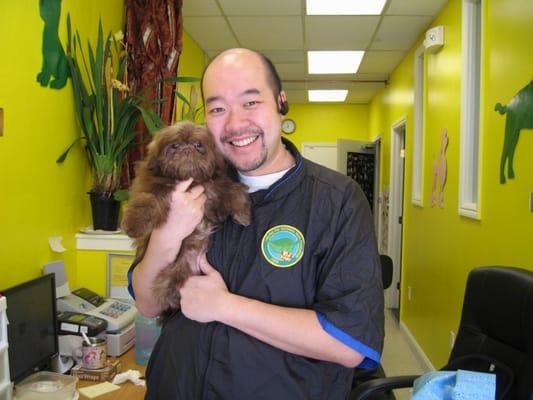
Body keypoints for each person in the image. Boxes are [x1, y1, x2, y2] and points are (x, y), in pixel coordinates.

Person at [128, 48, 384, 400]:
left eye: (251, 102)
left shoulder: (337, 200)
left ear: (281, 102)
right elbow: (148, 303)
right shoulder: (189, 186)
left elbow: (350, 341)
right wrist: (166, 234)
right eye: (218, 108)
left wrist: (226, 306)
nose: (235, 123)